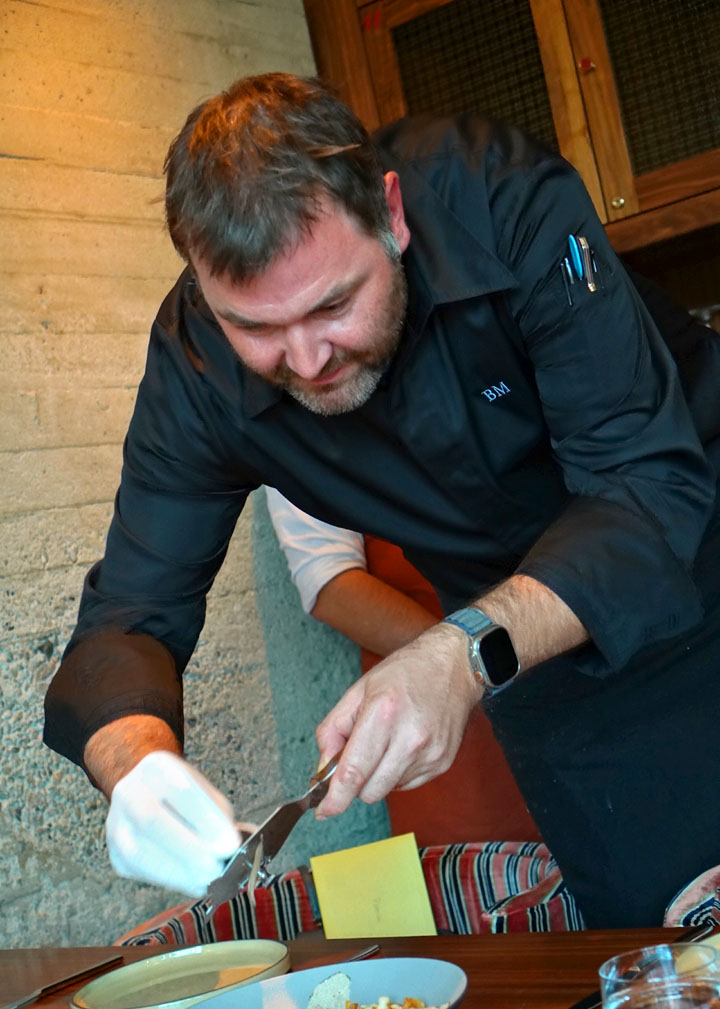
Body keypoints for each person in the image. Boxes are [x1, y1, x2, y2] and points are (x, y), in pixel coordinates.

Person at [43, 72, 720, 928]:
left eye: (334, 304)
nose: (307, 358)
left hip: (695, 546)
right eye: (254, 327)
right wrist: (133, 763)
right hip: (543, 667)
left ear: (391, 215)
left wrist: (458, 651)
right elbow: (127, 616)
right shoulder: (194, 368)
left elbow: (643, 482)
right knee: (663, 970)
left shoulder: (501, 198)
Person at [265, 486, 541, 844]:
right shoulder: (287, 436)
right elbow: (330, 584)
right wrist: (460, 659)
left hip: (562, 656)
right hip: (443, 707)